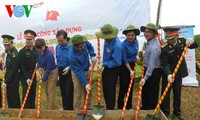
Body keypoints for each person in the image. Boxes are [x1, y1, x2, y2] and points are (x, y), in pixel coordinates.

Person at [160, 27, 199, 119]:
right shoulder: (164, 48)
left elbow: (195, 46)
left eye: (172, 38)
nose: (170, 41)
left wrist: (193, 41)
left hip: (179, 73)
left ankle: (177, 112)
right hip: (168, 74)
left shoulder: (182, 41)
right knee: (166, 93)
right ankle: (165, 112)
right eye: (168, 39)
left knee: (177, 92)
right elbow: (164, 63)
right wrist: (169, 74)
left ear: (177, 35)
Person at [96, 24, 122, 110]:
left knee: (110, 89)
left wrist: (104, 64)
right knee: (106, 88)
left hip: (113, 68)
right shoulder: (107, 40)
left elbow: (117, 62)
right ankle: (108, 106)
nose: (105, 39)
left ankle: (110, 108)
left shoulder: (117, 46)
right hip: (107, 66)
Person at [68, 34, 96, 110]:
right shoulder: (72, 56)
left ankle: (88, 108)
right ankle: (76, 110)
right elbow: (78, 71)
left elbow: (90, 47)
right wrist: (85, 83)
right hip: (77, 73)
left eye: (82, 46)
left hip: (87, 69)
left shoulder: (85, 42)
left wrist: (92, 55)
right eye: (78, 47)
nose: (80, 48)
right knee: (78, 93)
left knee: (88, 92)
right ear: (74, 46)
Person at [139, 23, 162, 110]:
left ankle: (151, 110)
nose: (146, 34)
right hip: (148, 69)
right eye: (145, 32)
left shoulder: (154, 47)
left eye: (149, 32)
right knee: (145, 91)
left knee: (152, 92)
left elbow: (151, 65)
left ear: (154, 33)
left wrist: (145, 78)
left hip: (153, 71)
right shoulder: (149, 42)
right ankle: (144, 108)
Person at [117, 25, 140, 110]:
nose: (130, 37)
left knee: (131, 86)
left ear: (135, 36)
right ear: (126, 35)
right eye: (129, 35)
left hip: (132, 65)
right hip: (124, 66)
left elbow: (136, 50)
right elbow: (124, 59)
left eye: (132, 35)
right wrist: (130, 70)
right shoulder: (123, 45)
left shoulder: (136, 42)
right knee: (124, 86)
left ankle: (129, 106)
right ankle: (120, 105)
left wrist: (136, 56)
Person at [35, 38, 58, 110]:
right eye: (38, 48)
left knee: (50, 92)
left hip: (52, 72)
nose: (40, 49)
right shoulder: (39, 52)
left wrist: (43, 79)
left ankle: (50, 110)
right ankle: (51, 107)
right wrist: (38, 66)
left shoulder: (49, 55)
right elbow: (39, 60)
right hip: (45, 72)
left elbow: (48, 69)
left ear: (44, 45)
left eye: (41, 48)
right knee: (46, 91)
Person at [18, 30, 37, 109]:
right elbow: (21, 66)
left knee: (33, 93)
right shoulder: (22, 51)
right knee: (26, 93)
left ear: (33, 40)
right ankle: (25, 110)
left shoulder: (36, 50)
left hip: (33, 74)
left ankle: (32, 110)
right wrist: (26, 78)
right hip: (25, 75)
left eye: (30, 39)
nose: (28, 41)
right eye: (27, 39)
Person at [0, 35, 20, 108]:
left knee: (14, 97)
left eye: (8, 45)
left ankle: (16, 112)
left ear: (12, 43)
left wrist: (6, 81)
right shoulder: (8, 52)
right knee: (9, 98)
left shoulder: (14, 54)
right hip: (8, 78)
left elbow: (13, 70)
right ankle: (11, 111)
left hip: (13, 79)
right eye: (5, 45)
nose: (6, 47)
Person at [56, 30, 74, 110]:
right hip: (60, 69)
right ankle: (65, 107)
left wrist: (69, 67)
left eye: (61, 40)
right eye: (58, 40)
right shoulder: (57, 47)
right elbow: (58, 59)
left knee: (68, 90)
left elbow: (75, 60)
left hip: (69, 69)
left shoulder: (71, 47)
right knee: (62, 90)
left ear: (66, 38)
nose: (60, 42)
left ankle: (69, 109)